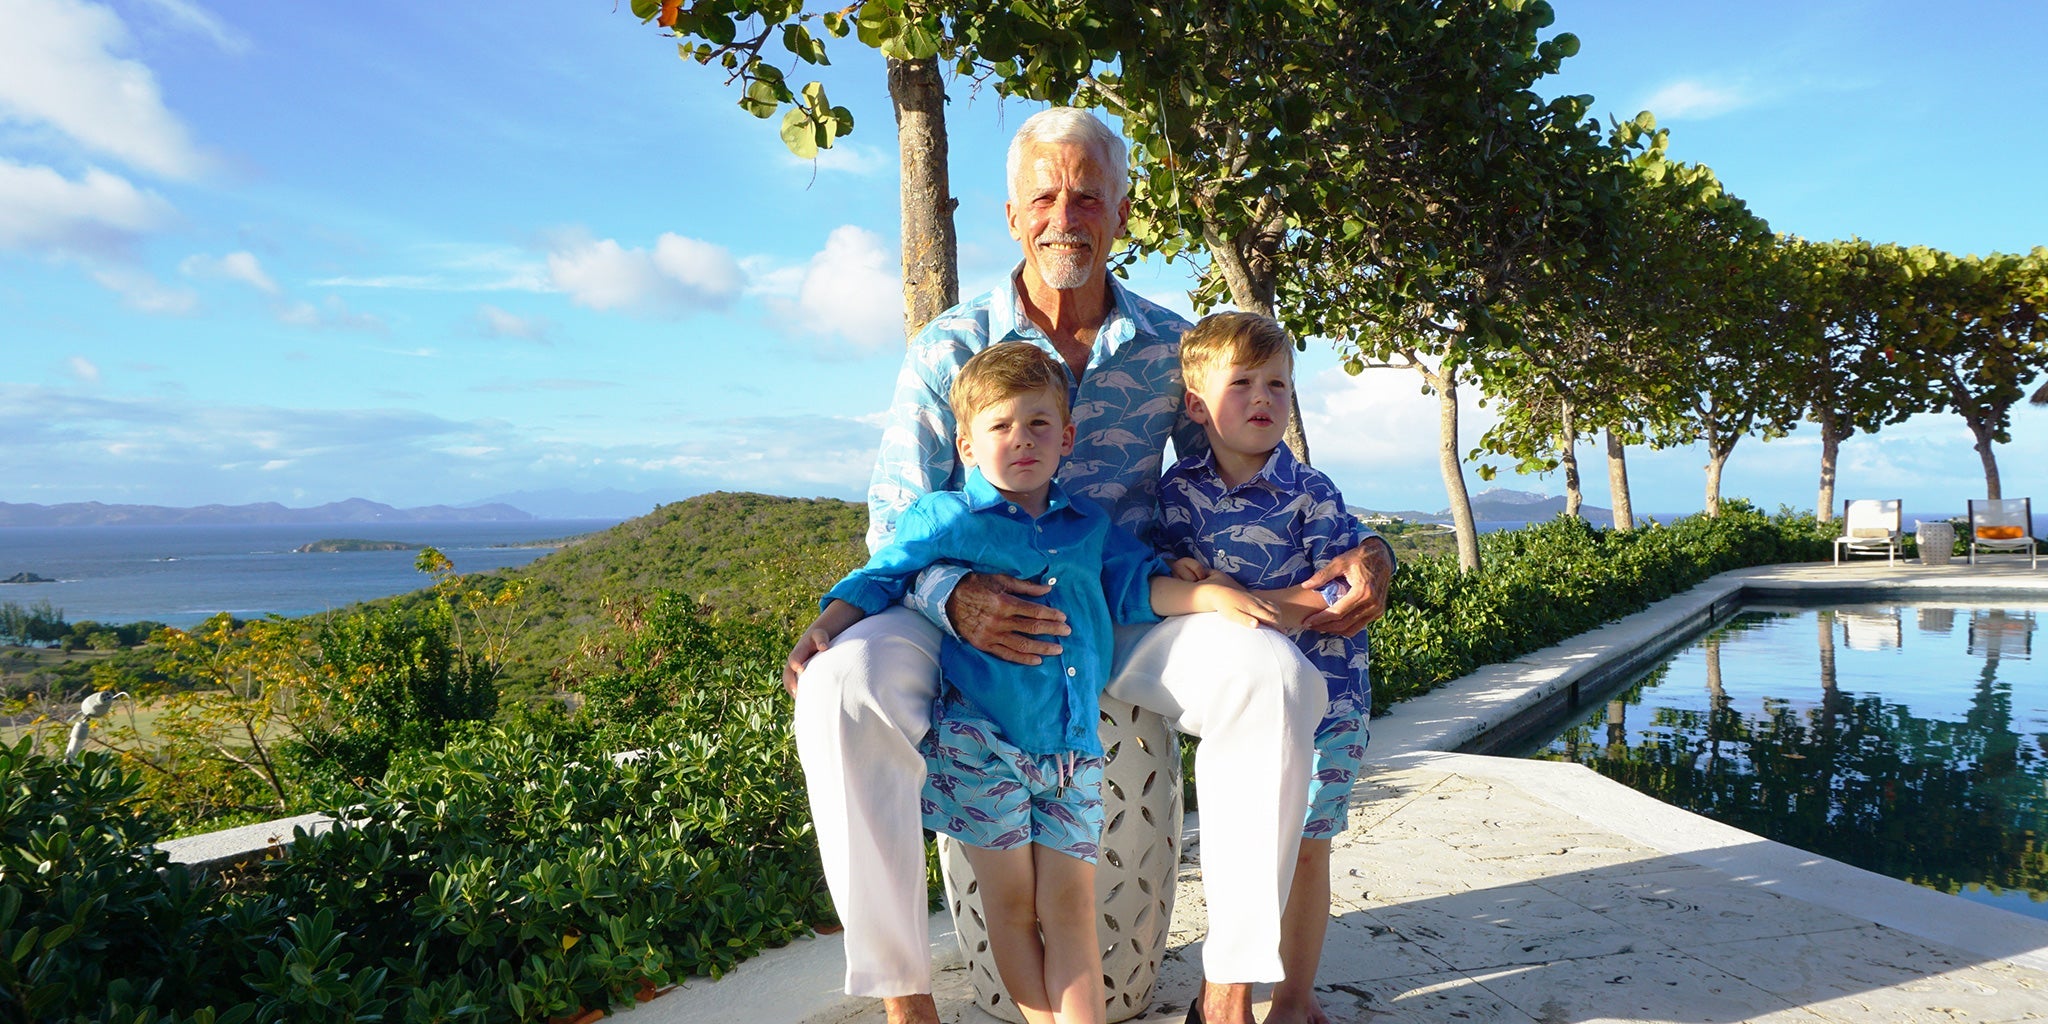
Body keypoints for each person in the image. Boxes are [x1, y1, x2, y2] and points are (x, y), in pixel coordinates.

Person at [782, 106, 1394, 1024]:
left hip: (1123, 601)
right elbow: (895, 525)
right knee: (839, 688)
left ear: (1121, 213)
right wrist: (957, 596)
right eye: (1044, 197)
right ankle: (906, 1002)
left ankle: (1229, 995)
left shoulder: (1170, 349)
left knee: (1273, 679)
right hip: (962, 605)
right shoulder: (949, 348)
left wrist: (1369, 548)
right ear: (1012, 216)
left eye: (1087, 197)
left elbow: (1255, 462)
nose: (1064, 216)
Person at [793, 342, 1281, 1024]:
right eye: (1001, 426)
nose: (1021, 439)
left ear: (1067, 438)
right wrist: (826, 627)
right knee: (1013, 910)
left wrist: (1209, 596)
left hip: (1073, 748)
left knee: (1071, 907)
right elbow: (882, 577)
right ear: (967, 445)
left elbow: (1136, 585)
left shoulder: (1089, 527)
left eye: (1038, 424)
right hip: (981, 745)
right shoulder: (946, 519)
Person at [1158, 312, 1376, 1024]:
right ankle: (1230, 994)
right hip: (1247, 704)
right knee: (1247, 844)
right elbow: (1170, 571)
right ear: (1196, 406)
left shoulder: (1311, 491)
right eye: (1242, 383)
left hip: (1330, 696)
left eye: (1277, 384)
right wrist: (1188, 575)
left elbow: (1339, 588)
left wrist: (1253, 604)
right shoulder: (1176, 493)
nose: (1263, 397)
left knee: (1307, 849)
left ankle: (1293, 998)